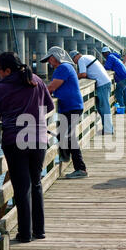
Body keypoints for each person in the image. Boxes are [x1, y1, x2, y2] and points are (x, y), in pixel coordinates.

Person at [0, 52, 54, 243]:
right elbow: (49, 107)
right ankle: (39, 231)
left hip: (15, 141)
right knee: (36, 183)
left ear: (7, 70)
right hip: (39, 139)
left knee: (22, 188)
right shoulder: (37, 80)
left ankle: (25, 234)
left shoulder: (1, 87)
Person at [41, 46, 88, 179]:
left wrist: (33, 95)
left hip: (72, 106)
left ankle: (81, 168)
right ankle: (65, 157)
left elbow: (51, 87)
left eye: (50, 59)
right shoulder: (63, 68)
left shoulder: (63, 68)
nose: (49, 62)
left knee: (68, 136)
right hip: (67, 107)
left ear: (55, 57)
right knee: (64, 134)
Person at [69, 50, 114, 135]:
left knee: (104, 108)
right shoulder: (89, 56)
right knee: (102, 108)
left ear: (76, 56)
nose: (74, 63)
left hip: (102, 84)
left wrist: (73, 77)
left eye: (73, 60)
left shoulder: (81, 59)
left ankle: (108, 130)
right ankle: (108, 129)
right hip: (105, 82)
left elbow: (83, 74)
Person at [102, 46, 126, 114]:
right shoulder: (114, 57)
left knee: (118, 94)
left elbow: (107, 67)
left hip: (121, 78)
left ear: (108, 53)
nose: (104, 55)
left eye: (105, 53)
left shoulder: (110, 57)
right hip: (125, 76)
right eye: (103, 54)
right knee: (124, 93)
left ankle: (122, 107)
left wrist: (101, 67)